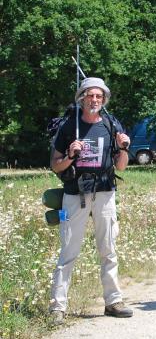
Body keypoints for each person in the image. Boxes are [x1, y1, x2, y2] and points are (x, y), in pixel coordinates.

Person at [49, 77, 132, 325]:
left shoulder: (110, 125)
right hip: (75, 194)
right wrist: (70, 155)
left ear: (103, 99)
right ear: (81, 98)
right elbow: (55, 166)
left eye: (98, 96)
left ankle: (113, 301)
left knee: (108, 249)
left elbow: (121, 166)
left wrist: (124, 148)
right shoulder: (68, 127)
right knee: (68, 251)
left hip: (105, 192)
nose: (94, 100)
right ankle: (58, 307)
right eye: (89, 96)